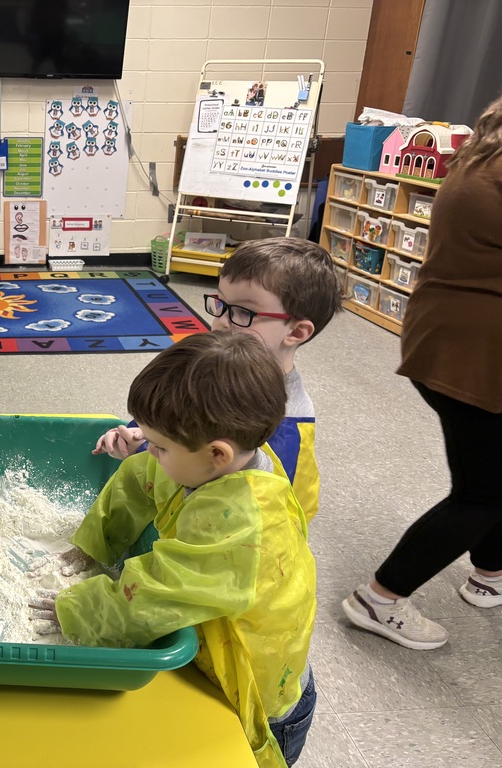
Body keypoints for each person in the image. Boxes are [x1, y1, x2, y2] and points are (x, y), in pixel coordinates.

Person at [33, 333, 317, 768]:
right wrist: (91, 546)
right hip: (215, 648)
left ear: (217, 453)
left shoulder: (241, 525)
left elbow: (155, 594)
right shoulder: (208, 463)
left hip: (257, 692)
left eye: (160, 445)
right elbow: (139, 478)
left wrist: (75, 609)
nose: (150, 450)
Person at [342, 94, 502, 650]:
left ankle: (488, 571)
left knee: (490, 476)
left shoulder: (482, 156)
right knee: (483, 491)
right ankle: (380, 599)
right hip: (477, 356)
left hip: (447, 338)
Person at [94, 237, 341, 522]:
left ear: (296, 333)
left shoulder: (286, 428)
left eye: (243, 312)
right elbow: (178, 408)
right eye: (221, 304)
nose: (222, 321)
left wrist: (148, 450)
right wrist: (141, 433)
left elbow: (246, 511)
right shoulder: (213, 365)